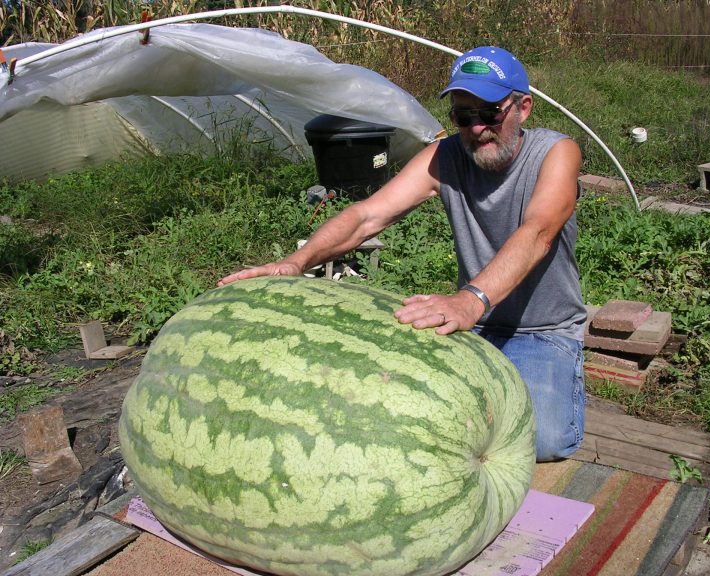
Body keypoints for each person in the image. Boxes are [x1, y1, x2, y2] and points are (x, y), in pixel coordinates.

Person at [218, 46, 587, 462]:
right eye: (464, 117)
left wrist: (470, 299)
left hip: (541, 331)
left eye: (490, 114)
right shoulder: (445, 157)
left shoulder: (556, 153)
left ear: (523, 107)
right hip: (472, 325)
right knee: (408, 421)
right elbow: (366, 216)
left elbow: (537, 232)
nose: (478, 128)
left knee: (541, 441)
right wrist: (296, 262)